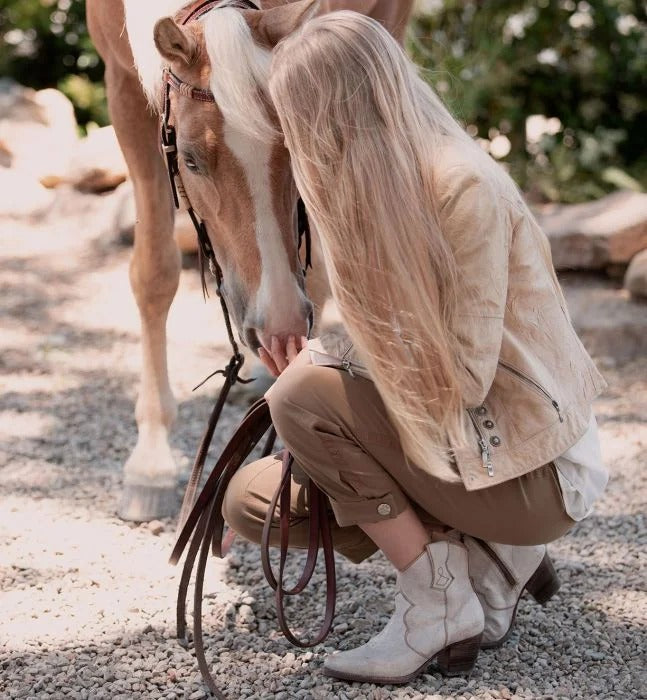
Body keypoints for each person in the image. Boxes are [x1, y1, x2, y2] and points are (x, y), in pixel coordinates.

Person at [223, 10, 609, 685]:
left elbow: (463, 376)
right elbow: (369, 344)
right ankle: (482, 558)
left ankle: (438, 607)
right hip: (454, 447)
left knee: (299, 395)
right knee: (252, 503)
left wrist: (326, 383)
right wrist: (326, 425)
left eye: (298, 121)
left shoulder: (463, 188)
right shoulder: (364, 192)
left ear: (335, 114)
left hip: (528, 465)